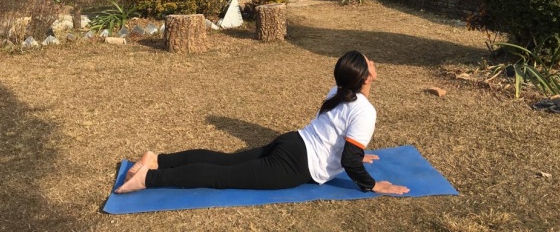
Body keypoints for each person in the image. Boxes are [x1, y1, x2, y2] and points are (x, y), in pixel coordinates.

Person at [115, 50, 409, 195]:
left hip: (291, 142)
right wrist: (372, 185)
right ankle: (148, 178)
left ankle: (157, 159)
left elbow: (339, 140)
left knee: (224, 161)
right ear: (366, 77)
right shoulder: (365, 112)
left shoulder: (338, 91)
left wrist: (355, 154)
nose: (373, 64)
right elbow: (349, 158)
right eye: (370, 63)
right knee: (223, 177)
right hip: (294, 166)